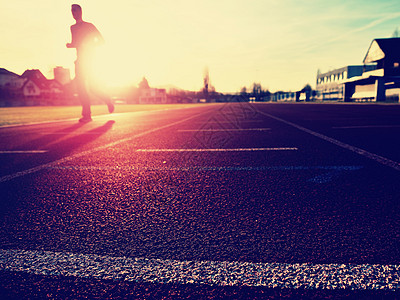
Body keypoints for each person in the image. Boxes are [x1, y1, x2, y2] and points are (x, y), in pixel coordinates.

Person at [66, 4, 114, 123]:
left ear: (81, 12)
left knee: (93, 88)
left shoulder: (89, 26)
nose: (73, 13)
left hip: (90, 61)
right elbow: (76, 43)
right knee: (81, 88)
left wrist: (88, 45)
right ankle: (87, 115)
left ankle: (107, 100)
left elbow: (102, 41)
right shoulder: (72, 28)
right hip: (79, 61)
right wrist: (70, 45)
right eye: (72, 11)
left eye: (75, 11)